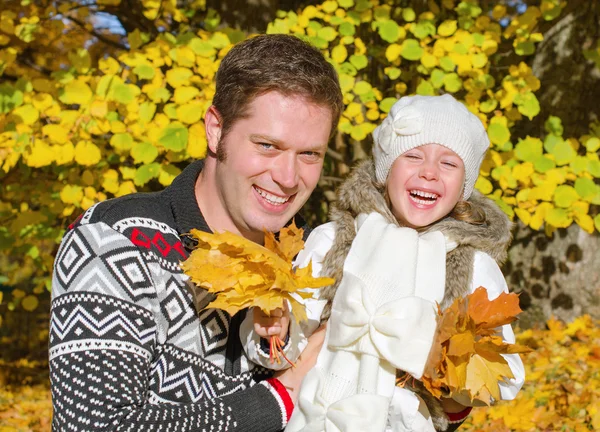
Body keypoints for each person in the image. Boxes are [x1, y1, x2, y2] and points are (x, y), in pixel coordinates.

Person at [49, 34, 343, 432]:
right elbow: (94, 426)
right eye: (268, 145)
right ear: (215, 130)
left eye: (309, 154)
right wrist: (282, 397)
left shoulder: (316, 260)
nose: (288, 178)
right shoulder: (116, 242)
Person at [250, 94, 525, 431]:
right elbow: (289, 346)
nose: (429, 173)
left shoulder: (474, 268)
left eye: (449, 164)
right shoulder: (333, 240)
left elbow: (503, 375)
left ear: (463, 190)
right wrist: (274, 332)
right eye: (413, 156)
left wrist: (448, 368)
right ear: (385, 171)